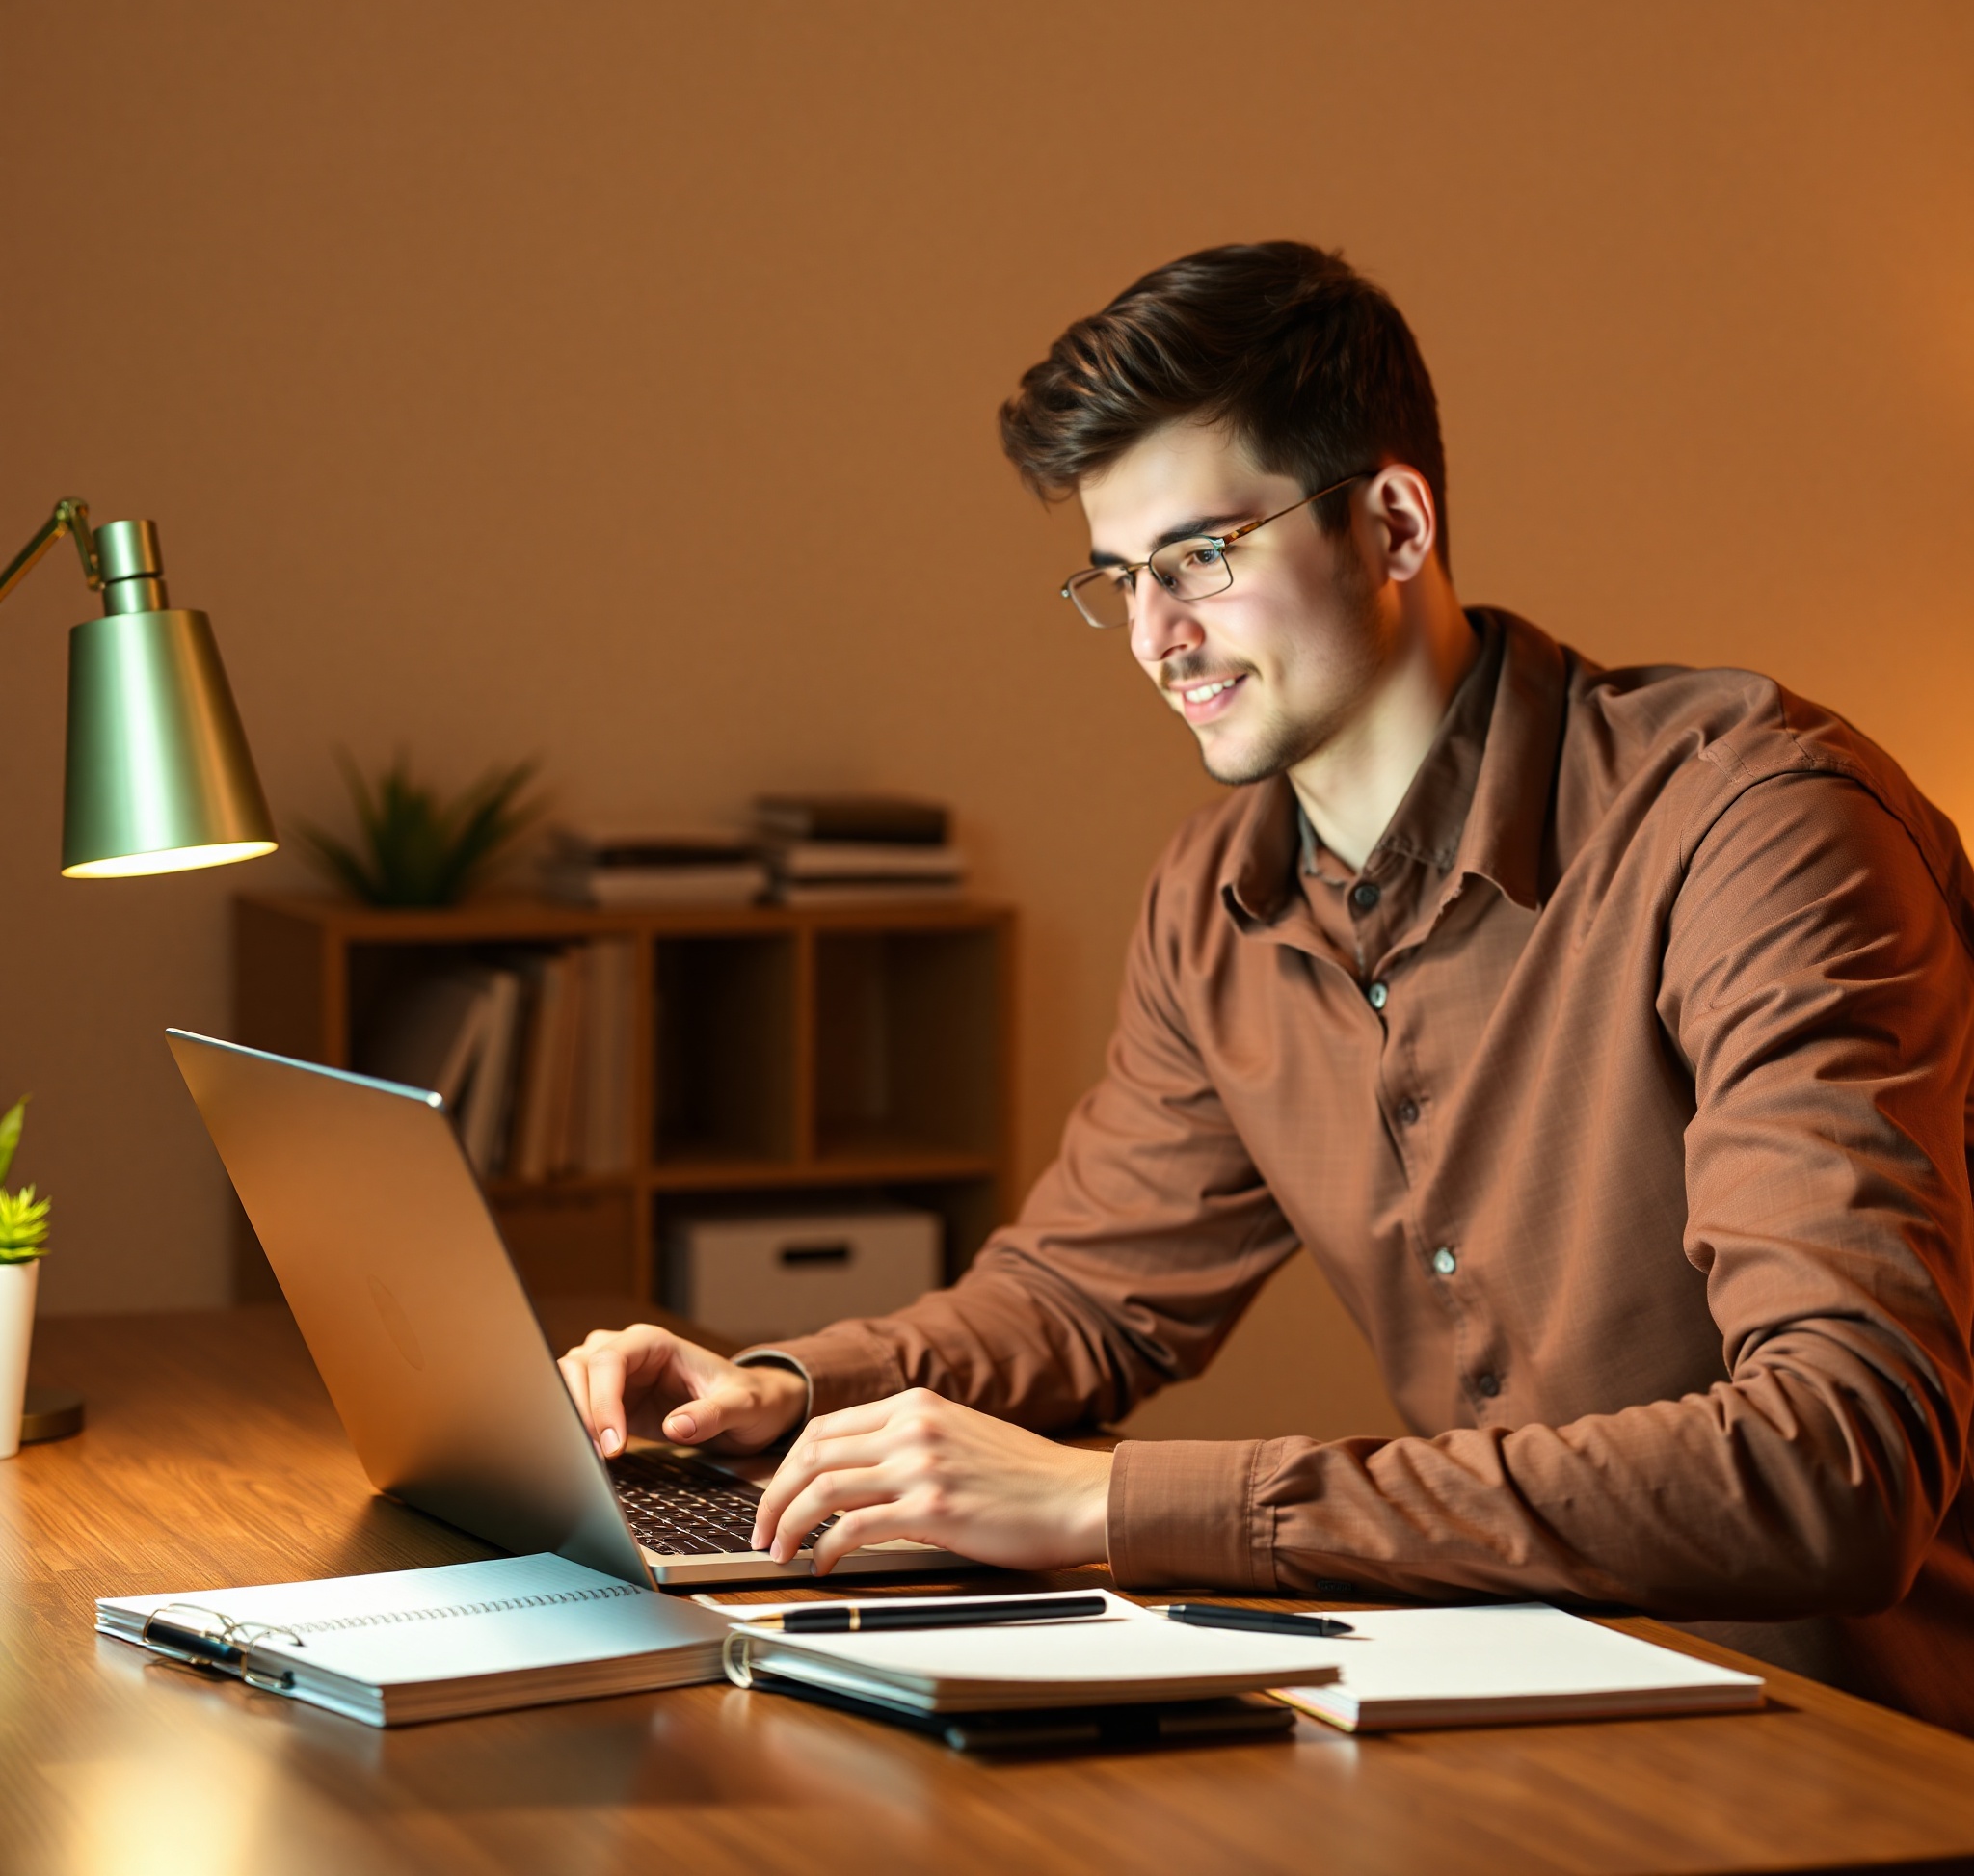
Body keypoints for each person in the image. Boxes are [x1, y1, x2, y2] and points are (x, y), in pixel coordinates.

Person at [559, 242, 1974, 1732]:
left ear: (1396, 524)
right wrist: (786, 1386)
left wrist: (1119, 1504)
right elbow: (1084, 1298)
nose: (1160, 640)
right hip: (1511, 1713)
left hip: (1867, 1751)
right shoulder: (1216, 894)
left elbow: (1839, 1464)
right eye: (1120, 581)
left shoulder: (1758, 828)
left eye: (1203, 558)